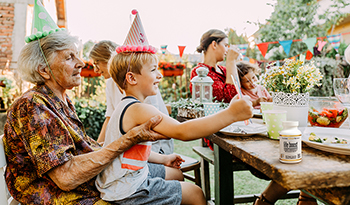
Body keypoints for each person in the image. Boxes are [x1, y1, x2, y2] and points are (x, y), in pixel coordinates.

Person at [2, 29, 170, 204]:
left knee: (171, 173)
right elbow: (66, 178)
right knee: (172, 191)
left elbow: (87, 150)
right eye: (69, 57)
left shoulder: (60, 100)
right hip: (63, 197)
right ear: (44, 70)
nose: (82, 63)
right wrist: (129, 139)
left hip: (91, 183)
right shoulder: (32, 105)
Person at [95, 40, 253, 204]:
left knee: (176, 174)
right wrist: (231, 114)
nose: (160, 75)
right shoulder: (138, 109)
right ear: (131, 78)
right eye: (153, 70)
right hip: (127, 188)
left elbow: (131, 151)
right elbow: (182, 131)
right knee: (195, 193)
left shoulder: (126, 105)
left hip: (120, 178)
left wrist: (163, 158)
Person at [89, 40, 174, 154]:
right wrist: (96, 150)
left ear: (108, 59)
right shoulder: (110, 84)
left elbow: (155, 124)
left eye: (96, 63)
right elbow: (109, 117)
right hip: (129, 148)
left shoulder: (145, 85)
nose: (95, 70)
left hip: (155, 148)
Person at [190, 29, 238, 104]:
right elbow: (230, 99)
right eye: (225, 45)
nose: (227, 50)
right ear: (214, 45)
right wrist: (231, 62)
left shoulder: (224, 70)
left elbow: (239, 95)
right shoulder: (198, 73)